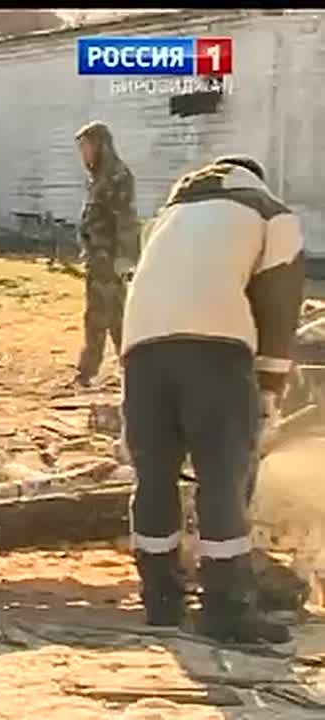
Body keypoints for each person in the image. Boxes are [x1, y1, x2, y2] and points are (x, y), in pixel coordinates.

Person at [122, 155, 303, 644]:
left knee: (154, 474)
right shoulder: (270, 213)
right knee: (223, 477)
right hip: (216, 350)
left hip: (140, 350)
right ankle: (226, 608)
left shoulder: (166, 218)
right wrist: (269, 388)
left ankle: (161, 600)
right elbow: (280, 303)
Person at [72, 121, 140, 388]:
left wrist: (125, 257)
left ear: (100, 146)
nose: (83, 153)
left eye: (86, 147)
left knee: (117, 318)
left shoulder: (117, 176)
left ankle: (134, 371)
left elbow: (125, 219)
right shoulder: (97, 178)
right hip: (97, 260)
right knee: (96, 317)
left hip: (112, 260)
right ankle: (87, 372)